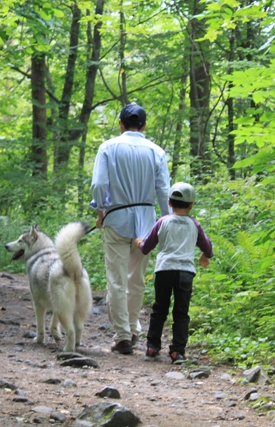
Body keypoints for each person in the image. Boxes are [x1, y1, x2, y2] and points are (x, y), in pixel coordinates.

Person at [90, 103, 171, 355]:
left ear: (121, 124)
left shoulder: (108, 147)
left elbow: (99, 183)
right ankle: (133, 331)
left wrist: (101, 210)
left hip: (116, 218)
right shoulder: (156, 151)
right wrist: (167, 221)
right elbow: (163, 191)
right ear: (144, 126)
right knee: (136, 279)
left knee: (116, 278)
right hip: (146, 222)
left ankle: (123, 335)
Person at [134, 182, 213, 364]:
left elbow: (146, 248)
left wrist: (139, 242)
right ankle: (177, 352)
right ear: (192, 204)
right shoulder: (195, 225)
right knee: (181, 312)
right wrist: (203, 255)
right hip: (185, 272)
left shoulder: (163, 222)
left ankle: (152, 347)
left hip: (164, 270)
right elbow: (207, 247)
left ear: (169, 203)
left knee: (159, 309)